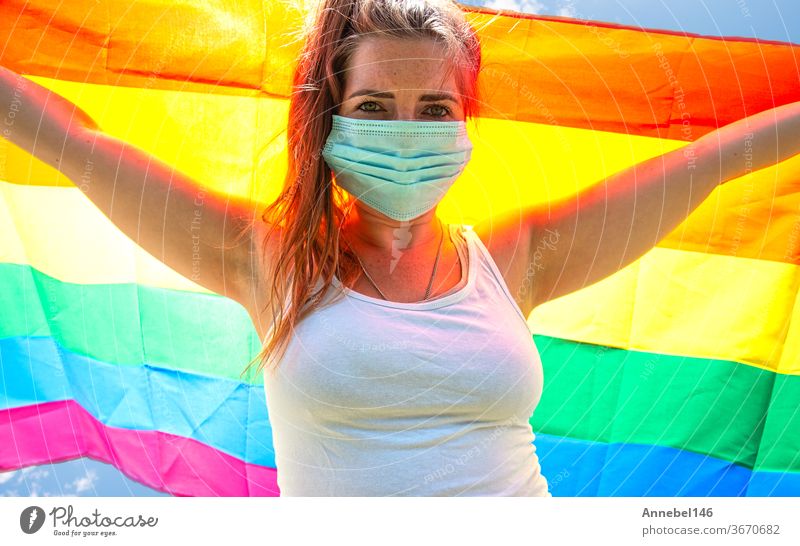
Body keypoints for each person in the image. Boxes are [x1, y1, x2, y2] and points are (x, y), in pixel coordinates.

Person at [1, 0, 798, 497]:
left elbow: (707, 162)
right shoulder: (267, 258)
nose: (405, 134)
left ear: (464, 122)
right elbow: (73, 142)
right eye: (376, 105)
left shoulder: (517, 258)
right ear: (332, 117)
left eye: (433, 108)